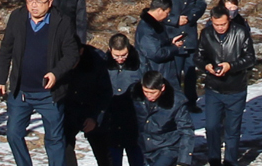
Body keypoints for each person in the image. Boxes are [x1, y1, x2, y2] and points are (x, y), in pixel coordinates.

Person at [0, 0, 80, 166]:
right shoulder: (17, 17)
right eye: (29, 1)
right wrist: (1, 78)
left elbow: (72, 54)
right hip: (21, 91)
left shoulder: (62, 22)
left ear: (49, 2)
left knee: (54, 139)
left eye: (38, 2)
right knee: (13, 134)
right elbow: (6, 49)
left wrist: (56, 73)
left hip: (49, 94)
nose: (33, 5)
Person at [197, 7, 255, 166]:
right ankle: (214, 160)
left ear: (228, 20)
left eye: (223, 24)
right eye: (216, 24)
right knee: (211, 127)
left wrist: (231, 66)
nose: (220, 28)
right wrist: (206, 66)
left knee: (232, 130)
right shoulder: (206, 33)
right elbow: (198, 56)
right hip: (213, 88)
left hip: (235, 89)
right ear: (211, 21)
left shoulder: (241, 32)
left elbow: (250, 58)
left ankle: (230, 161)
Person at [155, 0, 204, 113]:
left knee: (190, 72)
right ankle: (174, 103)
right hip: (172, 35)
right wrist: (174, 19)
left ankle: (191, 102)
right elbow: (158, 10)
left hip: (189, 33)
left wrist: (190, 17)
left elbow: (201, 5)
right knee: (173, 73)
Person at [61, 44, 113, 166]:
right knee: (64, 147)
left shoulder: (97, 62)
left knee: (103, 153)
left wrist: (94, 117)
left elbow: (105, 93)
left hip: (92, 107)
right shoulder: (60, 61)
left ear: (81, 51)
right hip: (68, 110)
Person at [101, 34, 145, 166]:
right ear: (110, 50)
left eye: (123, 55)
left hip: (134, 118)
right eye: (116, 56)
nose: (120, 59)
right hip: (111, 119)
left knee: (137, 157)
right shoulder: (103, 64)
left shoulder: (140, 63)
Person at [132, 71, 189, 166]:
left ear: (162, 88)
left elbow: (186, 130)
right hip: (144, 146)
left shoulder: (176, 102)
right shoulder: (136, 95)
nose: (148, 95)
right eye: (145, 92)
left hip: (168, 146)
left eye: (153, 93)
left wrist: (183, 160)